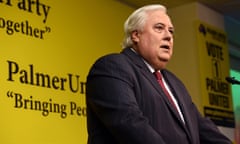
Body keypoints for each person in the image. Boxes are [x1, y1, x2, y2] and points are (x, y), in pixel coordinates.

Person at [86, 4, 232, 144]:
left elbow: (202, 129)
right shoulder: (112, 67)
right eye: (159, 28)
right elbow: (131, 125)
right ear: (136, 35)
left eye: (171, 31)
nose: (168, 36)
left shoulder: (174, 82)